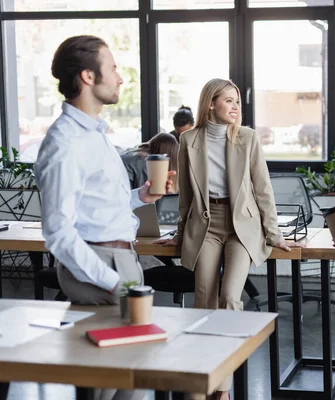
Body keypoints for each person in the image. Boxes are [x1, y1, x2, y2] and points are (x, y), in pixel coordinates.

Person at [34, 35, 174, 400]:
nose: (120, 78)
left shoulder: (95, 136)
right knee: (103, 389)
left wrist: (140, 197)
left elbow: (97, 207)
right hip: (101, 269)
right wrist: (116, 284)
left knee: (132, 384)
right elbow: (59, 235)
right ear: (88, 77)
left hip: (122, 260)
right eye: (112, 68)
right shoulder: (65, 143)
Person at [155, 78, 303, 400]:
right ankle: (201, 377)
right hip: (206, 225)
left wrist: (274, 234)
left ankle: (221, 386)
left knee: (231, 297)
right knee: (203, 299)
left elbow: (263, 188)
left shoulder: (247, 138)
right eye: (229, 101)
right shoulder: (188, 140)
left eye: (238, 101)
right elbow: (185, 198)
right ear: (211, 104)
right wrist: (179, 234)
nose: (236, 107)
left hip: (241, 227)